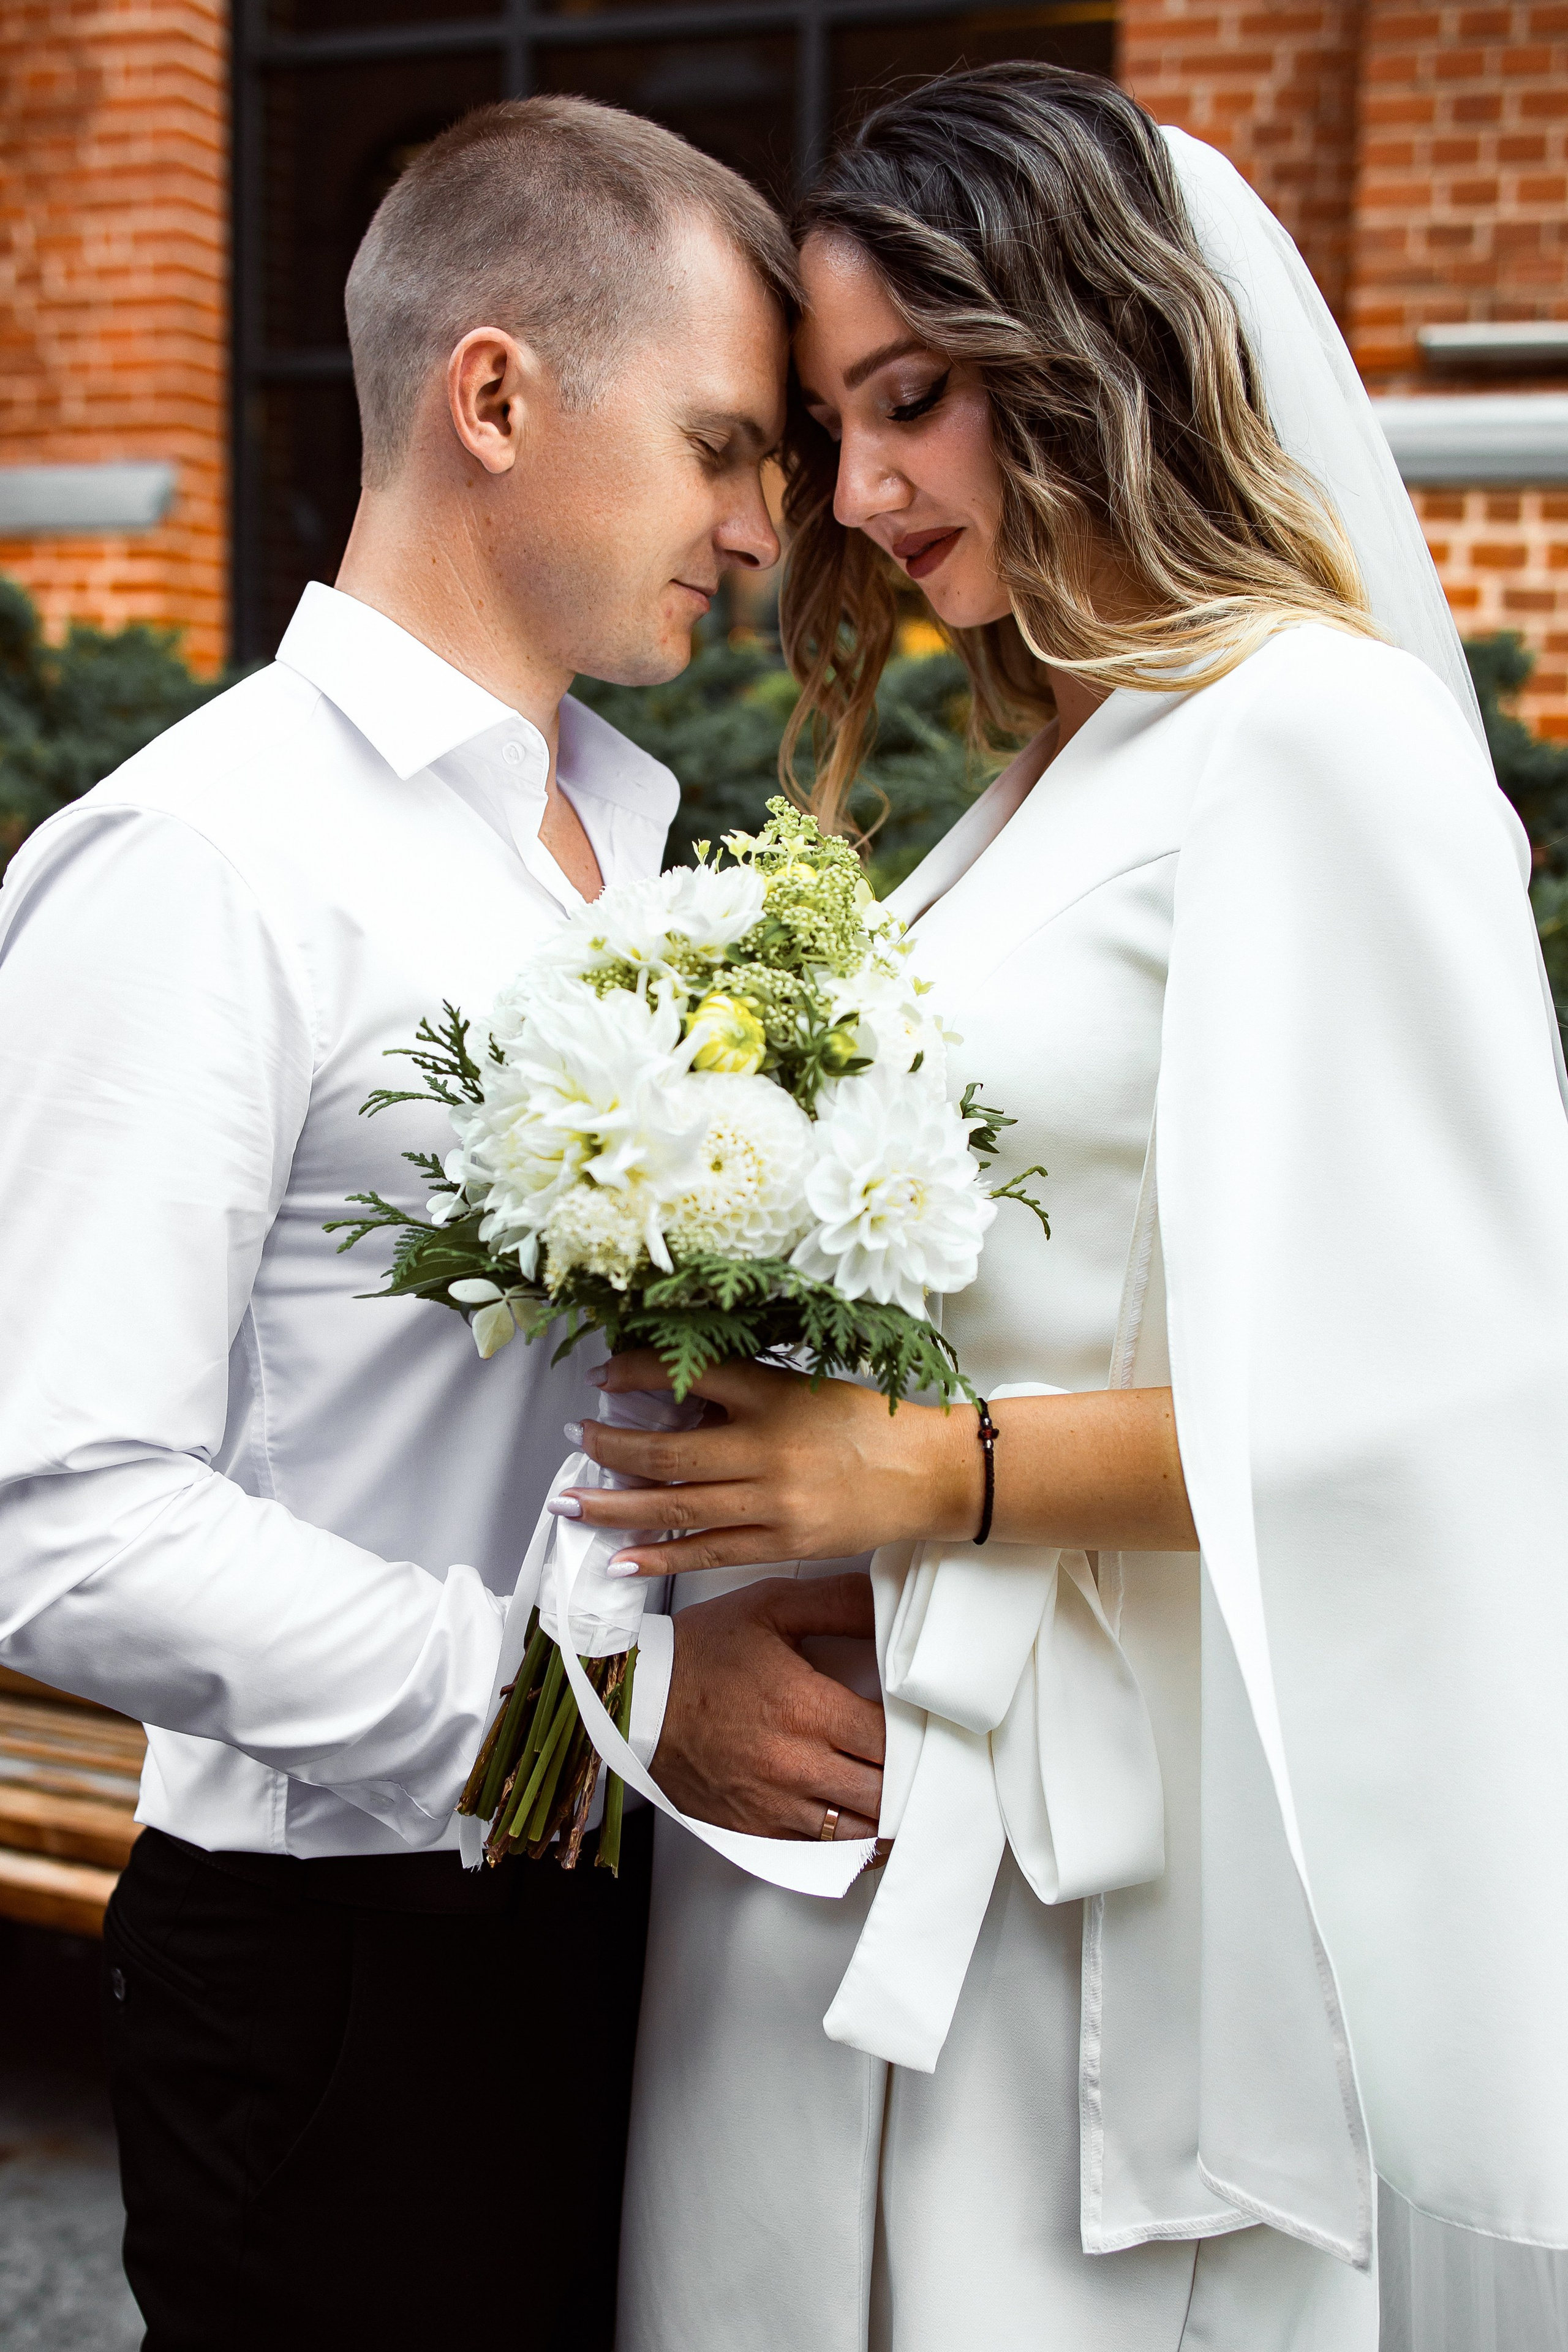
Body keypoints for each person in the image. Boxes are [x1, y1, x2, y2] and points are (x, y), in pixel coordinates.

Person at [559, 67, 1568, 2352]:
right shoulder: (1041, 775)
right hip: (836, 1808)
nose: (859, 491)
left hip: (1086, 1880)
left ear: (1092, 340)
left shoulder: (1318, 734)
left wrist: (920, 1468)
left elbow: (1446, 1396)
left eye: (913, 401)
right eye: (827, 423)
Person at [0, 96, 884, 2351]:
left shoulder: (629, 845)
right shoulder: (201, 860)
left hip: (654, 1934)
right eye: (719, 448)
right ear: (496, 395)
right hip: (350, 1972)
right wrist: (573, 1719)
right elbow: (59, 1514)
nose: (762, 532)